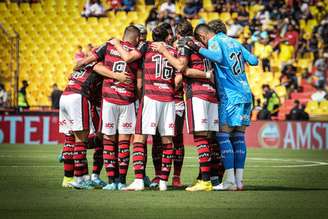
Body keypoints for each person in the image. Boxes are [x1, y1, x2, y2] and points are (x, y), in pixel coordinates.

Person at [151, 20, 223, 191]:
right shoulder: (204, 44)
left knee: (199, 137)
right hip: (212, 93)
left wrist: (164, 52)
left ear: (178, 35)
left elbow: (181, 67)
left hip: (197, 93)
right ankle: (213, 179)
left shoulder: (185, 43)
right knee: (209, 138)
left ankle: (204, 181)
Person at [190, 21, 258, 191]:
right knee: (239, 137)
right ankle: (239, 181)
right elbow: (254, 60)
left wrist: (197, 49)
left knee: (222, 135)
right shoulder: (235, 42)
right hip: (246, 93)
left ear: (204, 36)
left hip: (230, 96)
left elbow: (218, 57)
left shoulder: (214, 41)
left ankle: (228, 182)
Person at [59, 45, 130, 189]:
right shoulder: (98, 64)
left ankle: (77, 177)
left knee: (72, 137)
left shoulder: (85, 62)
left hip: (66, 94)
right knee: (82, 140)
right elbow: (97, 68)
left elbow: (72, 73)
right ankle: (79, 180)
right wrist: (117, 76)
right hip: (79, 96)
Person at [123, 25, 180, 191]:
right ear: (167, 36)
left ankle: (139, 180)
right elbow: (179, 78)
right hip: (169, 99)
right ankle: (163, 182)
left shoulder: (146, 46)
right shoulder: (174, 52)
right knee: (167, 141)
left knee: (140, 137)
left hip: (151, 98)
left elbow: (131, 60)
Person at [93, 25, 142, 191]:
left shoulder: (109, 46)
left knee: (108, 140)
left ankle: (110, 181)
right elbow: (139, 81)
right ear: (136, 39)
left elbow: (95, 66)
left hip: (109, 99)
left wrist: (113, 76)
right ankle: (121, 181)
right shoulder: (136, 53)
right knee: (124, 143)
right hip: (127, 101)